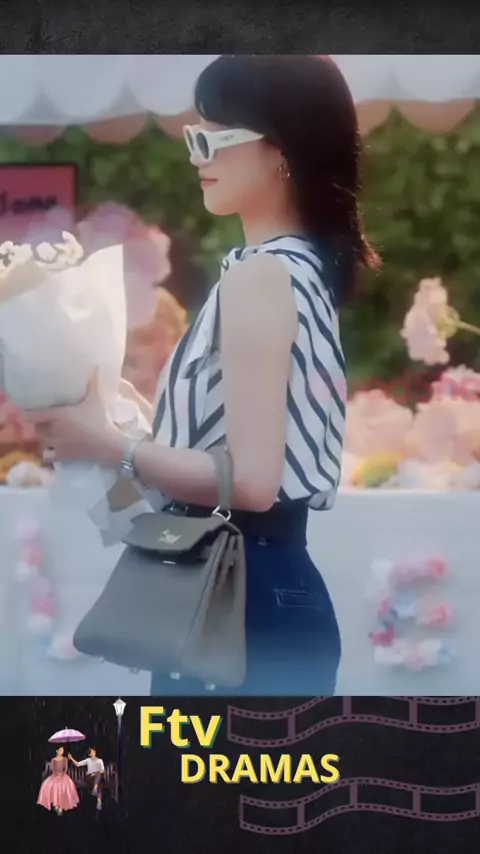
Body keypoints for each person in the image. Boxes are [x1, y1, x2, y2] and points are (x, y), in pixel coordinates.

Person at [22, 55, 381, 696]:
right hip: (258, 590)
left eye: (214, 138)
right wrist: (124, 423)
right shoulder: (298, 270)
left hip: (238, 598)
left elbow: (252, 482)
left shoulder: (261, 275)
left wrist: (109, 444)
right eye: (195, 137)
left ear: (282, 151)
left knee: (202, 766)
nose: (197, 157)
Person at [37, 746, 80, 815]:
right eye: (60, 750)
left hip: (63, 776)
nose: (61, 751)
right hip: (55, 776)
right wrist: (56, 775)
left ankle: (62, 805)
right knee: (51, 785)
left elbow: (65, 769)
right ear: (57, 751)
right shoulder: (53, 760)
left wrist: (62, 775)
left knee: (64, 786)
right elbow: (52, 769)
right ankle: (56, 804)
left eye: (62, 750)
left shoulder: (65, 759)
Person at [68, 747, 105, 811]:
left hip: (97, 777)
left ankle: (97, 796)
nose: (93, 753)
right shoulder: (88, 760)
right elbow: (78, 764)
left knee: (99, 779)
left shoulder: (100, 760)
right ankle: (97, 795)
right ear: (90, 754)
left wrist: (95, 773)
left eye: (94, 751)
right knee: (98, 781)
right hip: (89, 777)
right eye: (92, 752)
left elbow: (102, 770)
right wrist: (71, 758)